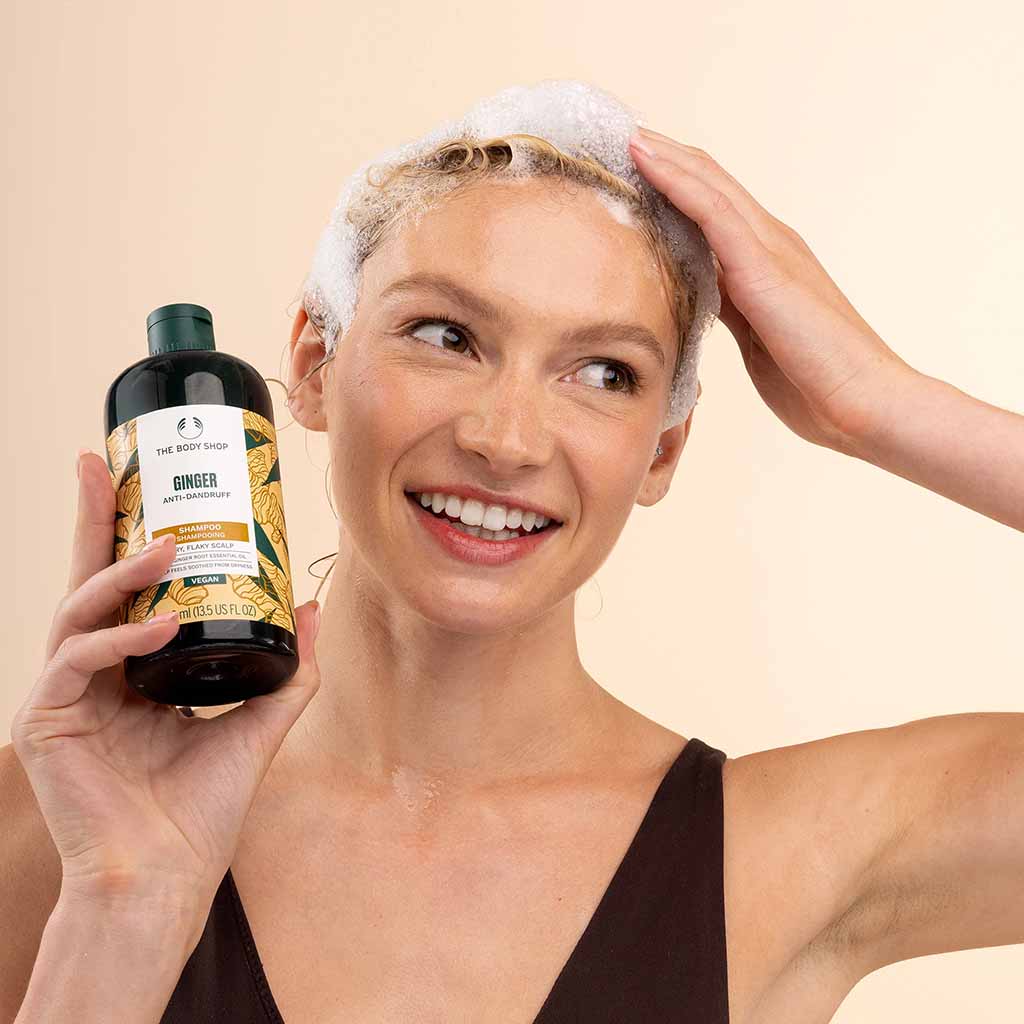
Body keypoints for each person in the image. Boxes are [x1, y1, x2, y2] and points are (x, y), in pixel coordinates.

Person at [4, 119, 1023, 1024]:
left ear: (661, 449)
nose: (505, 439)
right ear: (314, 365)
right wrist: (122, 909)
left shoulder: (784, 852)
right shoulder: (56, 826)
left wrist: (877, 403)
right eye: (446, 336)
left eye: (603, 372)